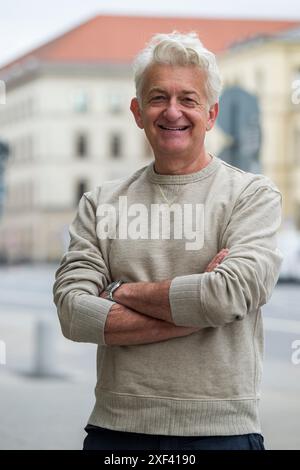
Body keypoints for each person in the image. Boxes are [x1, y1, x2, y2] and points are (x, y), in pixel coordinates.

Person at [53, 32, 283, 450]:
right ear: (137, 112)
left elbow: (230, 293)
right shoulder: (100, 202)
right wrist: (200, 307)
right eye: (158, 98)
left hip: (221, 432)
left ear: (211, 114)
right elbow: (72, 312)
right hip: (116, 432)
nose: (172, 111)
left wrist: (121, 292)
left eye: (188, 100)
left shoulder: (251, 195)